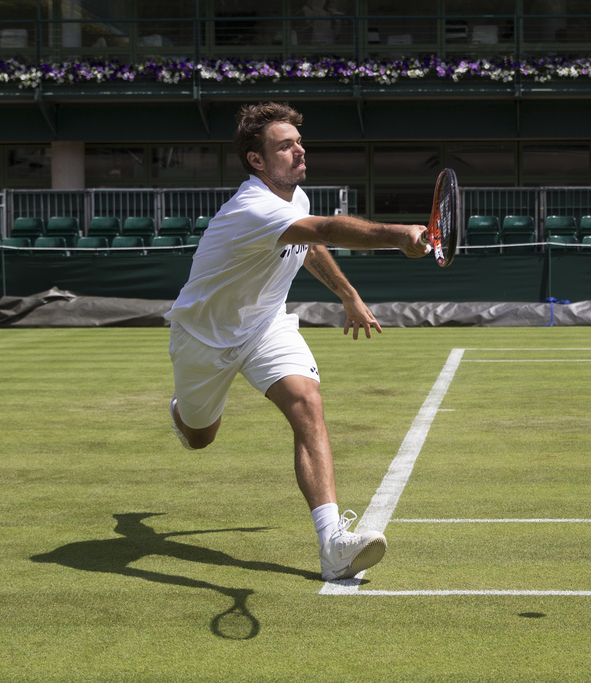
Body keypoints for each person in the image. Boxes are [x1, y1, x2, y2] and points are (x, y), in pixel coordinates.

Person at [165, 102, 429, 581]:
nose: (299, 149)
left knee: (307, 401)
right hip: (205, 336)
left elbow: (311, 245)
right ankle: (182, 411)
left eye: (298, 141)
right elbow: (325, 229)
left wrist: (348, 295)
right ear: (257, 161)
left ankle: (333, 545)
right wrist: (397, 235)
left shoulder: (295, 199)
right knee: (200, 437)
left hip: (267, 325)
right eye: (285, 145)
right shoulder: (251, 207)